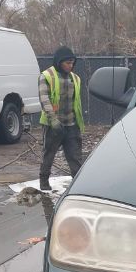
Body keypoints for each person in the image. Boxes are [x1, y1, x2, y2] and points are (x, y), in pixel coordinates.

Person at [38, 46, 84, 191]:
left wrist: (77, 123)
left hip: (71, 125)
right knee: (49, 154)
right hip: (53, 126)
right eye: (68, 63)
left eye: (72, 63)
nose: (71, 66)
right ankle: (44, 182)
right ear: (59, 62)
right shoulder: (46, 76)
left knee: (75, 157)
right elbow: (44, 98)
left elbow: (76, 102)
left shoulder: (75, 79)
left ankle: (78, 185)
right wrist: (53, 119)